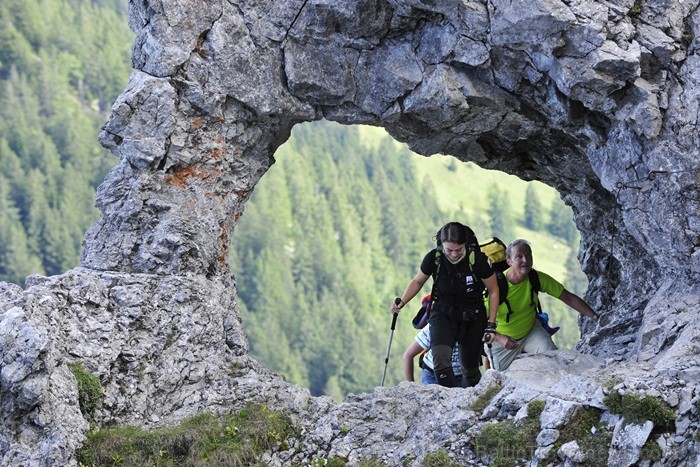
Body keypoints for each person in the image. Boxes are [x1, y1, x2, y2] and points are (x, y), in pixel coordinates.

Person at [391, 222, 500, 388]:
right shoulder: (434, 258)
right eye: (449, 250)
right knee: (441, 362)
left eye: (459, 250)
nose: (454, 254)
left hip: (472, 315)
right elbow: (418, 281)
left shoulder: (478, 260)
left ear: (466, 245)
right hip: (443, 313)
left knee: (469, 367)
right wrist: (402, 301)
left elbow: (493, 290)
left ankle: (476, 397)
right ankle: (448, 403)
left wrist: (491, 324)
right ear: (442, 245)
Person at [483, 239, 599, 371]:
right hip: (503, 342)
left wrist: (595, 317)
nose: (525, 260)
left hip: (530, 332)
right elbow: (478, 323)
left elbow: (568, 298)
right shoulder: (496, 288)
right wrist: (499, 338)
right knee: (500, 378)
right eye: (519, 256)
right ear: (509, 261)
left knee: (554, 361)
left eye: (528, 255)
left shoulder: (535, 278)